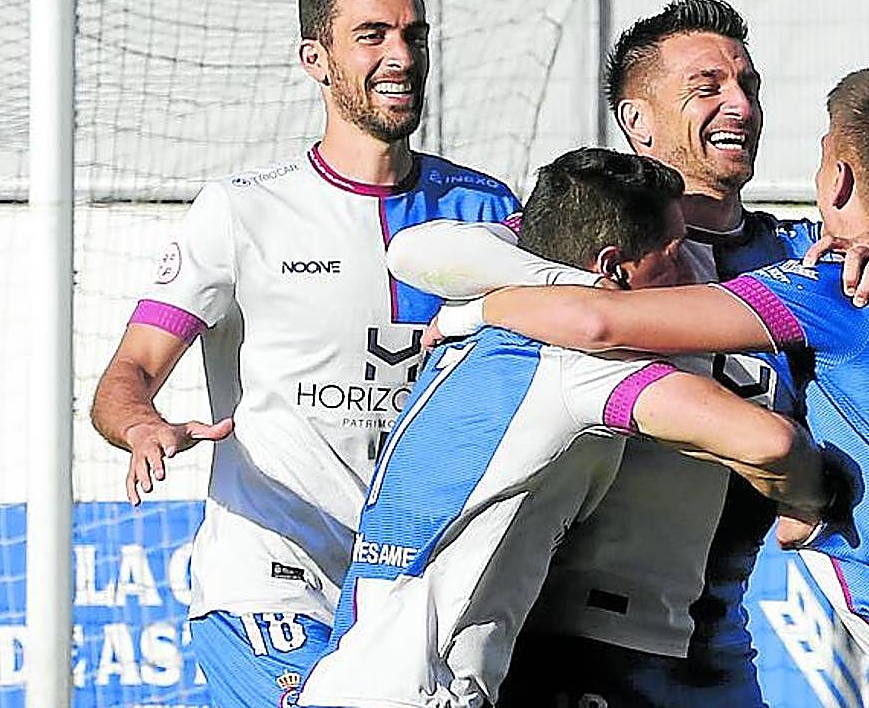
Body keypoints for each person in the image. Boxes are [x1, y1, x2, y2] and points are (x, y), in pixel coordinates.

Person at [390, 0, 869, 707]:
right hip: (580, 640)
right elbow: (418, 251)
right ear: (636, 122)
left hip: (718, 644)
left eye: (749, 85)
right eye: (706, 88)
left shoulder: (807, 260)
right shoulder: (590, 242)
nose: (739, 104)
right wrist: (534, 291)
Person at [89, 0, 520, 708]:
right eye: (373, 35)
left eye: (415, 36)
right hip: (271, 582)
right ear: (315, 60)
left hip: (421, 586)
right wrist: (141, 427)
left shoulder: (487, 209)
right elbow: (125, 379)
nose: (401, 57)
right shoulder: (241, 211)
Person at [296, 147, 830, 708]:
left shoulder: (469, 317)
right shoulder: (577, 363)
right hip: (423, 693)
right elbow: (768, 443)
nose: (689, 275)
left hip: (353, 675)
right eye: (674, 256)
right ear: (613, 268)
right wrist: (812, 498)